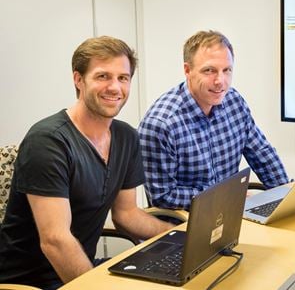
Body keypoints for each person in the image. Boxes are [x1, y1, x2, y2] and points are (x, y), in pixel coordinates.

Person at [0, 36, 174, 289]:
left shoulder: (126, 137)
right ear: (78, 79)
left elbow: (127, 215)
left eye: (123, 78)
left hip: (82, 269)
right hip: (29, 281)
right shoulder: (48, 142)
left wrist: (179, 234)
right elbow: (55, 240)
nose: (115, 87)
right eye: (103, 76)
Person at [138, 30, 289, 210]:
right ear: (187, 70)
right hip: (186, 222)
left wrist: (286, 195)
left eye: (227, 70)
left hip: (229, 213)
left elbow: (262, 153)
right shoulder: (161, 124)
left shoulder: (233, 101)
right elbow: (162, 196)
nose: (220, 81)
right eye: (209, 71)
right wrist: (226, 196)